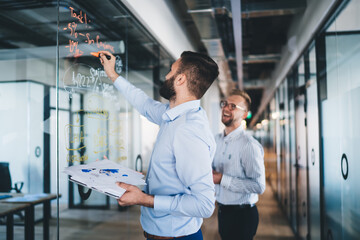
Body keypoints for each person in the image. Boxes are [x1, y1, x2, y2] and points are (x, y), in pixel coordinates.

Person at [99, 50, 219, 240]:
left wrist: (143, 199)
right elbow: (144, 104)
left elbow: (204, 205)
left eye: (171, 71)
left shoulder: (187, 130)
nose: (166, 76)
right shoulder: (173, 116)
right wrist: (113, 75)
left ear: (180, 79)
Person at [212, 89, 266, 240]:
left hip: (242, 216)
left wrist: (222, 179)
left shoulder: (249, 145)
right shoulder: (216, 140)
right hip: (223, 211)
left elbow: (259, 186)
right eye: (225, 104)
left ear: (244, 114)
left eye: (233, 106)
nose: (226, 108)